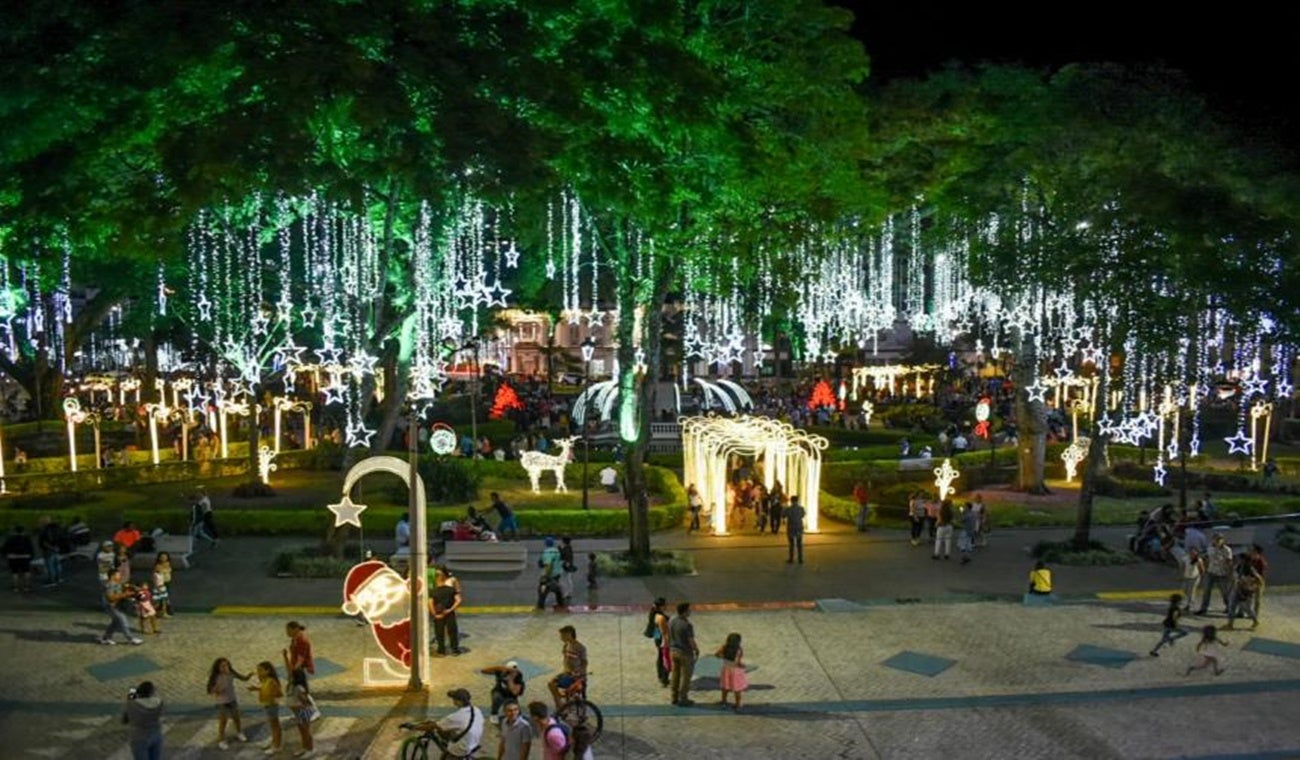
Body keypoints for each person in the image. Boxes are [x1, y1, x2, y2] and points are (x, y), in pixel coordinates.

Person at [409, 688, 484, 760]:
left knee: (445, 755)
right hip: (474, 742)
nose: (453, 701)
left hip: (462, 748)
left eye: (454, 699)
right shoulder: (476, 710)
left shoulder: (455, 717)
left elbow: (435, 725)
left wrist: (414, 727)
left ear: (459, 701)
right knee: (450, 731)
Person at [207, 657, 251, 749]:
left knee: (236, 717)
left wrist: (249, 675)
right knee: (223, 721)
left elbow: (243, 678)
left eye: (227, 665)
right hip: (222, 702)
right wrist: (217, 690)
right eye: (223, 666)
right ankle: (222, 739)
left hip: (232, 699)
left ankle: (239, 732)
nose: (225, 667)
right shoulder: (216, 677)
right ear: (218, 667)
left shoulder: (231, 673)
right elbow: (210, 690)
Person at [547, 625, 588, 709]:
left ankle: (561, 705)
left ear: (569, 634)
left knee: (553, 685)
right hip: (567, 673)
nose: (561, 637)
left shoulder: (580, 647)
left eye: (562, 635)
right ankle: (560, 704)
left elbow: (584, 663)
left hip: (576, 676)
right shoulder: (566, 646)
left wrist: (579, 673)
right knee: (551, 683)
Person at [249, 660, 284, 755]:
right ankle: (274, 742)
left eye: (260, 670)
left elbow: (279, 693)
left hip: (272, 705)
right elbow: (264, 688)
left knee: (275, 726)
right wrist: (256, 689)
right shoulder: (265, 680)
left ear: (268, 671)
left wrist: (272, 696)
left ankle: (277, 746)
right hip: (267, 705)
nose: (258, 672)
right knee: (273, 726)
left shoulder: (271, 681)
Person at [122, 681, 164, 760]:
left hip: (139, 736)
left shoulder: (132, 703)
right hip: (156, 734)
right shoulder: (159, 703)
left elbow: (124, 719)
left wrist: (132, 691)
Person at [100, 569, 143, 645]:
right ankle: (131, 639)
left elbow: (124, 586)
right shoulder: (109, 585)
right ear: (113, 576)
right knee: (123, 621)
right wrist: (125, 594)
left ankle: (106, 638)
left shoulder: (117, 583)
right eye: (118, 575)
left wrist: (133, 588)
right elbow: (111, 597)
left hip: (117, 606)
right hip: (111, 606)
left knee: (115, 622)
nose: (120, 576)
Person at [1194, 533, 1233, 616]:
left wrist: (1229, 573)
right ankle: (1203, 608)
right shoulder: (1210, 548)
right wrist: (1205, 568)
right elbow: (1207, 558)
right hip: (1211, 572)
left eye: (1219, 540)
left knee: (1225, 592)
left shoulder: (1227, 550)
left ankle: (1229, 607)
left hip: (1222, 573)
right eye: (1216, 540)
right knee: (1206, 591)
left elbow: (1229, 561)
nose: (1217, 542)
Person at [668, 602, 698, 707]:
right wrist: (696, 649)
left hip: (673, 650)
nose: (690, 611)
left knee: (675, 674)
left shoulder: (672, 621)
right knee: (686, 676)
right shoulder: (687, 625)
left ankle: (674, 697)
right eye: (689, 610)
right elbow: (691, 640)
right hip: (685, 653)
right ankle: (683, 697)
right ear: (685, 611)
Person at [430, 566, 464, 656]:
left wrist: (434, 614)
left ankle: (441, 650)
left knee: (439, 632)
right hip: (448, 612)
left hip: (439, 612)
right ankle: (454, 649)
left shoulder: (433, 591)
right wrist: (450, 610)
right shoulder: (451, 588)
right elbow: (459, 600)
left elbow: (430, 603)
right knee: (452, 630)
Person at [285, 666, 316, 758]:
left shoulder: (299, 688)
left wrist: (298, 706)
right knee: (302, 731)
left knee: (306, 731)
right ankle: (304, 747)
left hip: (303, 711)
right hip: (297, 713)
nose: (289, 677)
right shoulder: (291, 686)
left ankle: (310, 749)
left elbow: (305, 701)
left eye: (291, 676)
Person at [715, 632, 749, 711]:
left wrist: (724, 657)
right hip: (735, 671)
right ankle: (737, 705)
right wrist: (743, 665)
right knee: (737, 689)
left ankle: (723, 702)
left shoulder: (724, 647)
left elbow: (716, 654)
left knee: (725, 686)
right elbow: (738, 662)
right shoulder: (739, 649)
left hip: (726, 669)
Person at [36, 516, 67, 587]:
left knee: (50, 566)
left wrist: (52, 548)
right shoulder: (56, 528)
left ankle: (51, 581)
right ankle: (59, 578)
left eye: (40, 522)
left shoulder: (44, 530)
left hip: (48, 550)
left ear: (44, 522)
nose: (39, 524)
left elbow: (44, 543)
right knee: (57, 564)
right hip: (57, 548)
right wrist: (57, 548)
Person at [4, 525, 35, 592]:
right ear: (23, 531)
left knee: (14, 573)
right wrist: (31, 557)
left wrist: (7, 555)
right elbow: (31, 548)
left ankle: (16, 587)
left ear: (15, 531)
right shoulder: (27, 538)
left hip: (13, 557)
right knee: (26, 572)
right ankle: (26, 587)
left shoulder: (10, 538)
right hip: (25, 557)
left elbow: (5, 548)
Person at [283, 621, 315, 688]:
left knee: (301, 691)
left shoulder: (301, 640)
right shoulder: (295, 639)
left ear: (296, 629)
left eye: (288, 630)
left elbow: (301, 658)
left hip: (301, 670)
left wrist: (294, 672)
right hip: (297, 669)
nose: (287, 632)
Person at [649, 597, 672, 687]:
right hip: (662, 638)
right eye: (665, 605)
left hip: (657, 636)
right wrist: (667, 642)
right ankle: (664, 678)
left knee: (660, 656)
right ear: (661, 606)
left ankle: (660, 675)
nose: (666, 606)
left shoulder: (654, 613)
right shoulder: (661, 617)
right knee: (665, 658)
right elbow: (664, 632)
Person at [537, 537, 565, 609]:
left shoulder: (547, 552)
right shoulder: (556, 551)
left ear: (545, 544)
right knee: (557, 590)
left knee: (542, 591)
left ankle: (540, 608)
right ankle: (561, 605)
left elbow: (548, 565)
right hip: (557, 574)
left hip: (550, 575)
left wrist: (545, 576)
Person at [1179, 548, 1203, 613]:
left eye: (1194, 553)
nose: (1192, 554)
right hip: (1186, 577)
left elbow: (1201, 569)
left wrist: (1200, 577)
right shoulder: (1185, 559)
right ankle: (1189, 603)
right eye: (1191, 553)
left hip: (1194, 577)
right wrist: (1181, 575)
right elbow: (1182, 567)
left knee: (1192, 591)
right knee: (1185, 590)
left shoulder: (1199, 560)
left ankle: (1190, 605)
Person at [784, 495, 806, 565]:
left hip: (791, 527)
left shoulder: (788, 509)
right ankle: (800, 559)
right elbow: (803, 515)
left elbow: (784, 515)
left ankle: (791, 558)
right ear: (797, 501)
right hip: (799, 526)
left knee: (791, 544)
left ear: (791, 501)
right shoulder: (801, 508)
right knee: (799, 543)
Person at [152, 553, 174, 618]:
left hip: (167, 582)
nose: (163, 558)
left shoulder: (168, 564)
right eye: (162, 557)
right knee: (161, 599)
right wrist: (157, 585)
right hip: (161, 583)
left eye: (165, 557)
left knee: (166, 598)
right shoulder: (158, 566)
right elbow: (155, 576)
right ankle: (161, 612)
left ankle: (162, 612)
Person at [558, 536, 577, 605]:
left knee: (563, 580)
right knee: (569, 579)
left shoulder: (566, 548)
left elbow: (562, 556)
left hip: (565, 566)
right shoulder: (569, 548)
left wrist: (559, 549)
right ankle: (569, 592)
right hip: (569, 566)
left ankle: (565, 593)